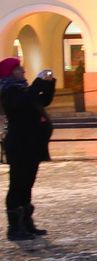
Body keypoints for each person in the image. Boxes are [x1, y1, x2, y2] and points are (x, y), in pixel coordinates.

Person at [0, 58, 55, 241]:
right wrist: (37, 82)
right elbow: (23, 102)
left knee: (27, 184)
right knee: (18, 185)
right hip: (19, 146)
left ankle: (27, 224)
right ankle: (14, 228)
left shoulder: (22, 89)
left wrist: (48, 84)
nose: (23, 71)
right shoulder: (8, 92)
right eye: (19, 69)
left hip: (31, 145)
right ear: (10, 73)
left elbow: (42, 101)